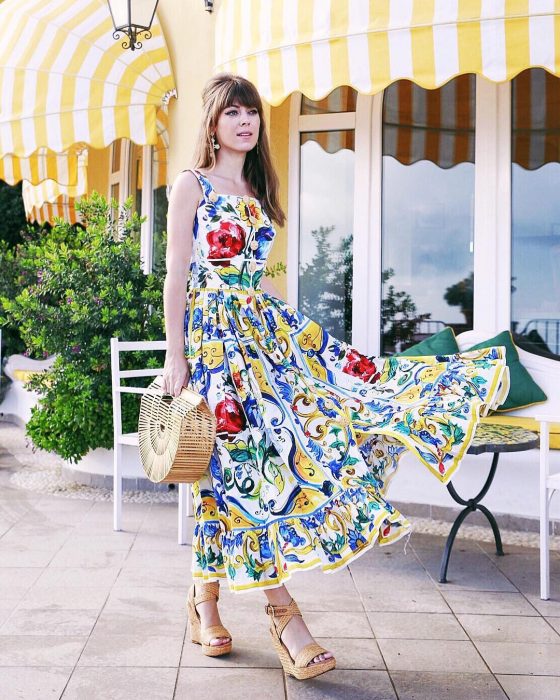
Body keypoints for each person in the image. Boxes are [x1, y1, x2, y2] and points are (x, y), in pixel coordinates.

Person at [161, 73, 509, 681]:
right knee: (245, 467)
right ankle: (284, 619)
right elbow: (176, 275)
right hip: (215, 344)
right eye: (233, 112)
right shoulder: (192, 185)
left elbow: (254, 275)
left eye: (252, 113)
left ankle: (203, 600)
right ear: (213, 121)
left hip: (264, 334)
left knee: (310, 431)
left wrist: (294, 332)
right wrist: (175, 355)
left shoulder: (256, 186)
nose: (246, 122)